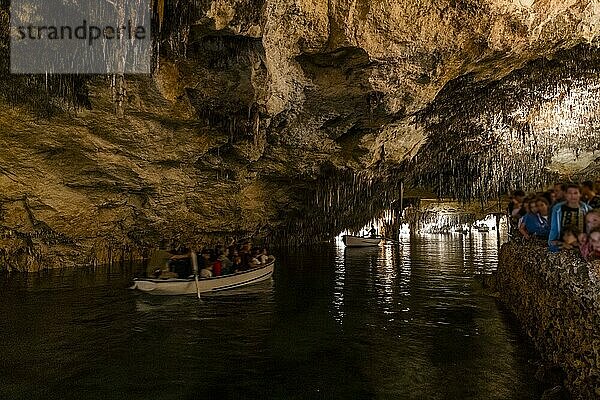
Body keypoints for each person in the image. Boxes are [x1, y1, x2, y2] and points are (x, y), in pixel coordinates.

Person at [548, 184, 592, 252]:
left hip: (582, 247)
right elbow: (554, 228)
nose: (572, 196)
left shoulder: (587, 209)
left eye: (575, 193)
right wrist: (553, 243)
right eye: (569, 193)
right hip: (562, 246)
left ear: (580, 194)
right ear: (565, 194)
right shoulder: (557, 209)